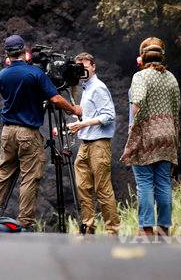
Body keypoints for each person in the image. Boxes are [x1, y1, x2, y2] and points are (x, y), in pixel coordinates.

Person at [0, 35, 81, 230]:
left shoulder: (2, 75)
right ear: (24, 51)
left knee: (2, 173)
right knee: (29, 177)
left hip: (8, 131)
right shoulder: (35, 73)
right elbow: (56, 99)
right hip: (27, 132)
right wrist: (73, 110)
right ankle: (25, 221)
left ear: (7, 54)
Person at [120, 37, 179, 238]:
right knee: (163, 182)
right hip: (167, 134)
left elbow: (136, 102)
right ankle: (164, 228)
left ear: (142, 58)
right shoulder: (171, 78)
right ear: (162, 57)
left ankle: (146, 228)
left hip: (146, 135)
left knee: (145, 182)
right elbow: (176, 109)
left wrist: (133, 126)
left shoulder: (142, 77)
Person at [67, 52, 120, 235]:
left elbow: (108, 116)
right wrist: (79, 117)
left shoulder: (98, 87)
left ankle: (112, 230)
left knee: (102, 188)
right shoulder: (86, 88)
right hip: (86, 143)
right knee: (83, 186)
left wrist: (83, 123)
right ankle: (88, 227)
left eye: (86, 66)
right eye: (79, 67)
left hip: (99, 144)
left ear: (93, 66)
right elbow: (93, 113)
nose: (83, 70)